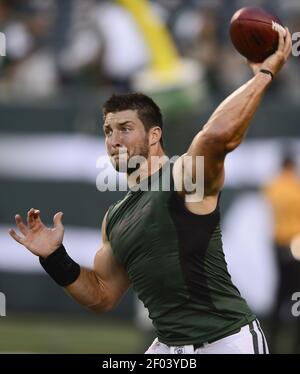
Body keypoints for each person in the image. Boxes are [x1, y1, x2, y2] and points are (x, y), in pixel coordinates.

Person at [9, 27, 292, 354]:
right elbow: (103, 295)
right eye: (107, 131)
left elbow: (217, 137)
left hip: (224, 341)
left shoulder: (183, 177)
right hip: (169, 348)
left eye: (125, 129)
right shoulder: (114, 219)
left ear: (154, 135)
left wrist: (264, 74)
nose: (114, 140)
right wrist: (55, 258)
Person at [263, 155, 300, 353]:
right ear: (292, 166)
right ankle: (294, 343)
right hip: (296, 245)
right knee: (296, 293)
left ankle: (273, 339)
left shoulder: (273, 186)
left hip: (278, 245)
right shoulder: (295, 186)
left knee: (280, 292)